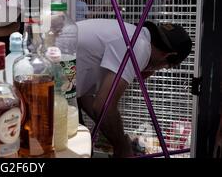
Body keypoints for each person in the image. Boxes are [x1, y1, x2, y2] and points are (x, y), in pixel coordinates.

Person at [75, 19, 192, 157]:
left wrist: (114, 134)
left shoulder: (132, 34)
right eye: (165, 67)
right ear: (166, 55)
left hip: (58, 81)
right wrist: (122, 146)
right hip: (50, 83)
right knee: (81, 151)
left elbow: (85, 97)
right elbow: (103, 106)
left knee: (84, 145)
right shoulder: (138, 46)